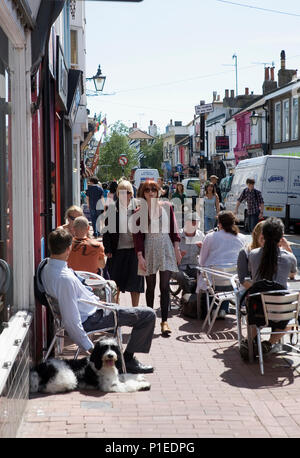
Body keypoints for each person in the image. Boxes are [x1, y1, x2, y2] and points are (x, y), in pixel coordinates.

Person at [41, 228, 155, 374]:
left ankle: (121, 355)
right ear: (69, 248)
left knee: (120, 305)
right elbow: (72, 321)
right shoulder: (65, 279)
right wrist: (90, 348)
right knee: (148, 315)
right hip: (93, 317)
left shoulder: (46, 267)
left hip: (94, 308)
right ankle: (128, 360)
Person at [133, 180, 182, 336]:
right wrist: (140, 257)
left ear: (158, 191)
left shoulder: (167, 207)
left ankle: (165, 322)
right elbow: (138, 237)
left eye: (153, 189)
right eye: (147, 190)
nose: (151, 192)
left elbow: (174, 230)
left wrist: (177, 249)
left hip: (166, 247)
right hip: (149, 249)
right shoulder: (138, 212)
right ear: (143, 193)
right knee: (151, 287)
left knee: (165, 287)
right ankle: (150, 320)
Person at [244, 217, 297, 353]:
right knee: (293, 315)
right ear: (281, 236)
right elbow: (292, 275)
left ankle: (250, 342)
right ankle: (269, 343)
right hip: (280, 312)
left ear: (263, 235)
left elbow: (251, 274)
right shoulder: (289, 258)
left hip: (257, 312)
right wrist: (286, 247)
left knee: (254, 305)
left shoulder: (253, 254)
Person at [102, 180, 144, 307]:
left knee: (135, 285)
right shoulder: (111, 208)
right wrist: (107, 249)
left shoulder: (139, 207)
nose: (125, 195)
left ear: (132, 193)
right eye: (122, 192)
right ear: (118, 194)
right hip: (117, 251)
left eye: (128, 192)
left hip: (135, 251)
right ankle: (117, 311)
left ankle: (135, 311)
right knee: (116, 283)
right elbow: (107, 231)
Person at [198, 210, 247, 318]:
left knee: (209, 274)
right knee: (226, 276)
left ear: (219, 224)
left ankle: (214, 308)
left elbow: (201, 261)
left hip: (214, 281)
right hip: (234, 281)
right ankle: (223, 309)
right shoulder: (242, 238)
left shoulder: (210, 237)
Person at [172, 212, 204, 293]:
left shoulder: (201, 235)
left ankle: (191, 297)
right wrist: (178, 256)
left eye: (196, 224)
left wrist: (203, 248)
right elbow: (168, 256)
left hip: (194, 266)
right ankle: (190, 295)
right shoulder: (177, 235)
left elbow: (205, 256)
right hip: (178, 267)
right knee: (181, 276)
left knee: (203, 275)